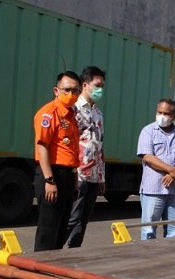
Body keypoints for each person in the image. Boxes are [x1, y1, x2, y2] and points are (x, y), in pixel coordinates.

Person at [33, 71, 82, 251]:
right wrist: (49, 180)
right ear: (56, 90)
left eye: (75, 91)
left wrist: (74, 178)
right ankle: (39, 271)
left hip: (67, 176)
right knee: (48, 229)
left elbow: (70, 151)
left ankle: (55, 269)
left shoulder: (70, 116)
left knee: (61, 229)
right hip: (52, 174)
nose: (71, 95)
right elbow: (42, 147)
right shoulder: (49, 113)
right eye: (67, 90)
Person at [137, 98, 175, 240]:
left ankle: (170, 260)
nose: (162, 116)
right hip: (153, 190)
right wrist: (171, 170)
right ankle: (148, 260)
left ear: (173, 116)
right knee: (149, 231)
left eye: (166, 113)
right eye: (159, 112)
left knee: (174, 231)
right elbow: (148, 157)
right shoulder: (148, 131)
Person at [63, 66, 106, 248]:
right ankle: (54, 252)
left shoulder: (98, 113)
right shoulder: (73, 110)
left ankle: (74, 253)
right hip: (79, 173)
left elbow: (99, 145)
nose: (100, 90)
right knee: (72, 218)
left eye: (103, 86)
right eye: (97, 85)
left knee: (83, 221)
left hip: (95, 175)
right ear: (85, 85)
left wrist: (102, 177)